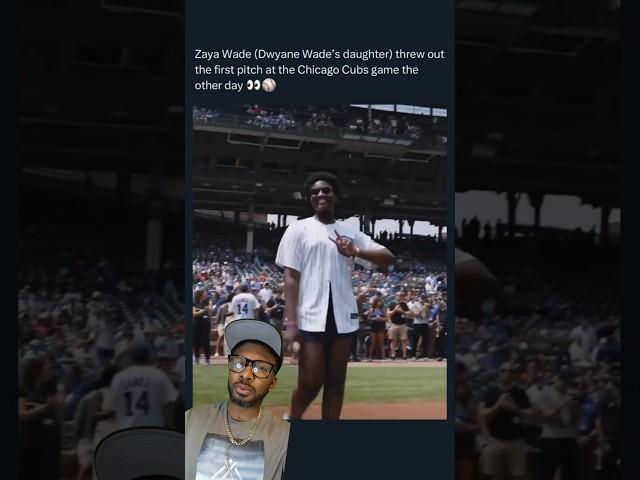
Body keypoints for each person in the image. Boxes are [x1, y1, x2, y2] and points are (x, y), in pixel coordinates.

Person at [276, 172, 394, 419]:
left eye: (326, 190)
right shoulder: (298, 229)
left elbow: (388, 257)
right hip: (309, 316)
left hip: (343, 315)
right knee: (311, 381)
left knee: (336, 383)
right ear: (309, 198)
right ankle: (293, 418)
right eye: (315, 192)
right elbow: (290, 278)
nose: (321, 194)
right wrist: (291, 323)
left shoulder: (348, 232)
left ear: (336, 196)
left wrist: (356, 251)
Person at [186, 319, 290, 480]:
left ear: (272, 383)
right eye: (239, 363)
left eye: (260, 368)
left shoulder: (285, 437)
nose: (246, 375)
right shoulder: (190, 420)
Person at [479, 362, 535, 480]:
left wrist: (516, 409)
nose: (507, 373)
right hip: (495, 440)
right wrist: (498, 405)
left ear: (514, 375)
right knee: (494, 476)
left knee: (519, 476)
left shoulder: (520, 392)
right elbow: (482, 414)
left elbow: (531, 413)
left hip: (516, 441)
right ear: (499, 374)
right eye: (503, 371)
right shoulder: (491, 391)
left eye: (510, 371)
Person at [109, 339, 179, 430]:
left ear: (130, 357)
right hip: (153, 431)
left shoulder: (118, 378)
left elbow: (114, 408)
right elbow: (168, 405)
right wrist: (171, 428)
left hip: (125, 432)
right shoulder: (159, 375)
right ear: (149, 355)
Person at [387, 291, 410, 360]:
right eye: (398, 295)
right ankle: (393, 354)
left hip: (402, 324)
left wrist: (402, 311)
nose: (399, 297)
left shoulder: (404, 304)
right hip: (394, 324)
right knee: (393, 340)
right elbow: (388, 314)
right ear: (395, 296)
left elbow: (409, 312)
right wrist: (395, 310)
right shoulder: (391, 304)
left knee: (404, 340)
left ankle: (404, 355)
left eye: (401, 295)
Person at [193, 289, 212, 364]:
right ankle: (196, 358)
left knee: (206, 341)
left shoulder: (208, 302)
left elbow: (210, 314)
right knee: (196, 341)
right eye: (204, 294)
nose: (206, 295)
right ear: (200, 295)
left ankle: (207, 359)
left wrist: (208, 310)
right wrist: (203, 311)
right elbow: (194, 313)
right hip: (196, 323)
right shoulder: (194, 302)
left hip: (206, 323)